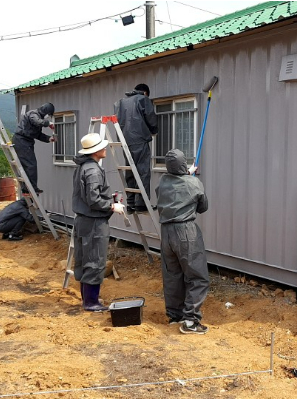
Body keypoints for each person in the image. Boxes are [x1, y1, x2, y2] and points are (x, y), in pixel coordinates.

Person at [155, 149, 209, 334]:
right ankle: (191, 321)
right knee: (197, 276)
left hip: (166, 234)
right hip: (186, 232)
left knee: (173, 276)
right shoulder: (194, 183)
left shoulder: (162, 182)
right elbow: (203, 206)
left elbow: (175, 182)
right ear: (184, 165)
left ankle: (175, 316)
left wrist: (186, 175)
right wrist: (190, 177)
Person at [71, 133, 125, 312]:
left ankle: (88, 298)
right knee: (95, 259)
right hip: (93, 222)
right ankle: (91, 302)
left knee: (86, 258)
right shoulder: (93, 170)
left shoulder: (82, 167)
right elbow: (93, 199)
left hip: (83, 220)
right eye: (102, 147)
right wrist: (111, 206)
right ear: (95, 151)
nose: (105, 149)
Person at [114, 84, 158, 213]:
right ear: (145, 92)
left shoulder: (120, 103)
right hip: (139, 139)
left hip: (125, 141)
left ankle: (131, 204)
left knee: (130, 170)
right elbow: (151, 117)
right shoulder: (142, 99)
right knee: (143, 171)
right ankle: (141, 204)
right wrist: (154, 130)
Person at [13, 102, 56, 195]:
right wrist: (48, 123)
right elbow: (36, 121)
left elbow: (37, 134)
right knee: (30, 165)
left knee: (27, 165)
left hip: (26, 141)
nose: (47, 117)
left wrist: (49, 138)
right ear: (46, 112)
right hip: (21, 140)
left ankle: (27, 188)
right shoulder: (33, 114)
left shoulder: (37, 117)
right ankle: (31, 188)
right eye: (48, 115)